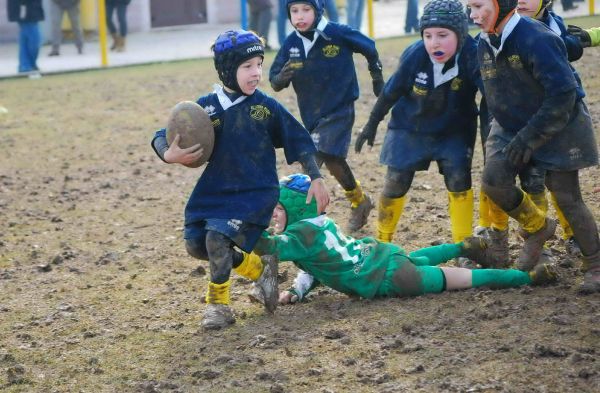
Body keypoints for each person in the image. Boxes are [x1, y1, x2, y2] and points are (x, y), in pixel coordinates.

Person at [151, 30, 329, 330]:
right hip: (214, 191)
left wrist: (316, 176)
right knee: (197, 246)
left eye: (259, 64)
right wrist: (167, 154)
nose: (257, 73)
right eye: (248, 66)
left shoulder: (266, 107)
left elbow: (299, 140)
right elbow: (161, 135)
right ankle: (261, 270)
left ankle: (218, 306)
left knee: (216, 239)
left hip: (254, 192)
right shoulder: (205, 108)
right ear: (226, 70)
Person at [251, 174, 558, 304]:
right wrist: (297, 291)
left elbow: (269, 247)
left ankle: (527, 277)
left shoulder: (297, 236)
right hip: (384, 256)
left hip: (391, 279)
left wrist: (249, 228)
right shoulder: (319, 225)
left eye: (278, 208)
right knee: (420, 259)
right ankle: (461, 246)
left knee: (464, 278)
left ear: (294, 207)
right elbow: (316, 266)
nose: (273, 216)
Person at [468, 0, 599, 293]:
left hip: (559, 122)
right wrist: (504, 132)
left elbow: (563, 94)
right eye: (469, 7)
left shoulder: (538, 38)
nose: (473, 15)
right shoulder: (484, 41)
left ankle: (596, 264)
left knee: (566, 196)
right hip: (512, 124)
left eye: (478, 6)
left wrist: (530, 137)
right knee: (493, 181)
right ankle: (538, 226)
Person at [355, 0, 482, 264]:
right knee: (396, 182)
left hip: (455, 130)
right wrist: (372, 123)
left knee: (459, 181)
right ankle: (382, 246)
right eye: (428, 35)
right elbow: (391, 91)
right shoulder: (415, 55)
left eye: (443, 35)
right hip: (409, 128)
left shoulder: (473, 53)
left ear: (460, 34)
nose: (434, 43)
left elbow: (490, 94)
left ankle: (463, 249)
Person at [270, 0, 383, 233]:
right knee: (333, 160)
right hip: (313, 115)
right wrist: (282, 77)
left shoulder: (337, 33)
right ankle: (360, 200)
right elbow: (274, 81)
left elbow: (370, 47)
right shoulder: (292, 43)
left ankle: (302, 224)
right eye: (294, 11)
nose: (299, 16)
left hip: (340, 108)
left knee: (312, 159)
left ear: (318, 9)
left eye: (306, 9)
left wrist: (376, 76)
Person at [7, 0, 44, 76]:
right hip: (22, 8)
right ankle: (26, 65)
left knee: (26, 39)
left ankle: (26, 65)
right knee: (33, 39)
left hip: (32, 9)